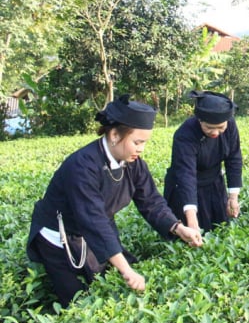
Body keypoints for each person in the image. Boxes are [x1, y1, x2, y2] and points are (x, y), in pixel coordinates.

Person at [26, 95, 203, 307]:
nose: (141, 149)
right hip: (60, 237)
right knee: (78, 302)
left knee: (114, 287)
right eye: (137, 142)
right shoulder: (82, 166)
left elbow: (151, 201)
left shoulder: (134, 163)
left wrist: (178, 227)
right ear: (114, 135)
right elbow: (93, 220)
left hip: (96, 233)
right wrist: (126, 269)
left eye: (144, 143)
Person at [164, 91, 242, 233]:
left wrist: (233, 196)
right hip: (184, 187)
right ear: (200, 120)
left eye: (220, 128)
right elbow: (186, 175)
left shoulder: (230, 125)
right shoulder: (185, 134)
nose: (215, 133)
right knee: (188, 233)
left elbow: (234, 158)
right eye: (209, 127)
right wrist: (191, 217)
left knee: (219, 229)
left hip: (214, 182)